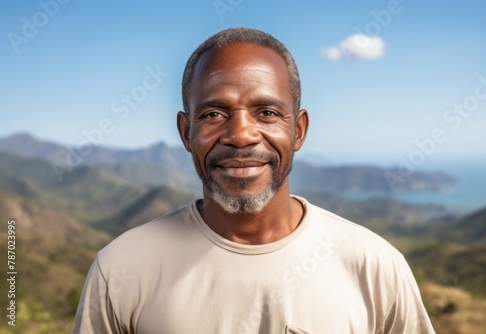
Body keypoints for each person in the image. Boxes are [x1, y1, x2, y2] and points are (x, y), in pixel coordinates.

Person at [72, 27, 435, 333]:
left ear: (298, 130)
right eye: (214, 113)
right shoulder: (121, 269)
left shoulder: (375, 266)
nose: (241, 134)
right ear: (186, 132)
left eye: (266, 112)